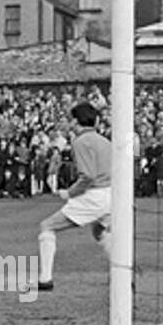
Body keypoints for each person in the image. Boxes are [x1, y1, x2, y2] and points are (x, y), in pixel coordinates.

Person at [35, 102, 113, 293]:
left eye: (71, 119)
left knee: (47, 226)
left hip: (94, 195)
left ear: (77, 120)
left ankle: (45, 279)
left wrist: (69, 193)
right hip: (111, 194)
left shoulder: (80, 141)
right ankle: (121, 273)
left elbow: (88, 175)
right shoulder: (104, 141)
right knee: (100, 231)